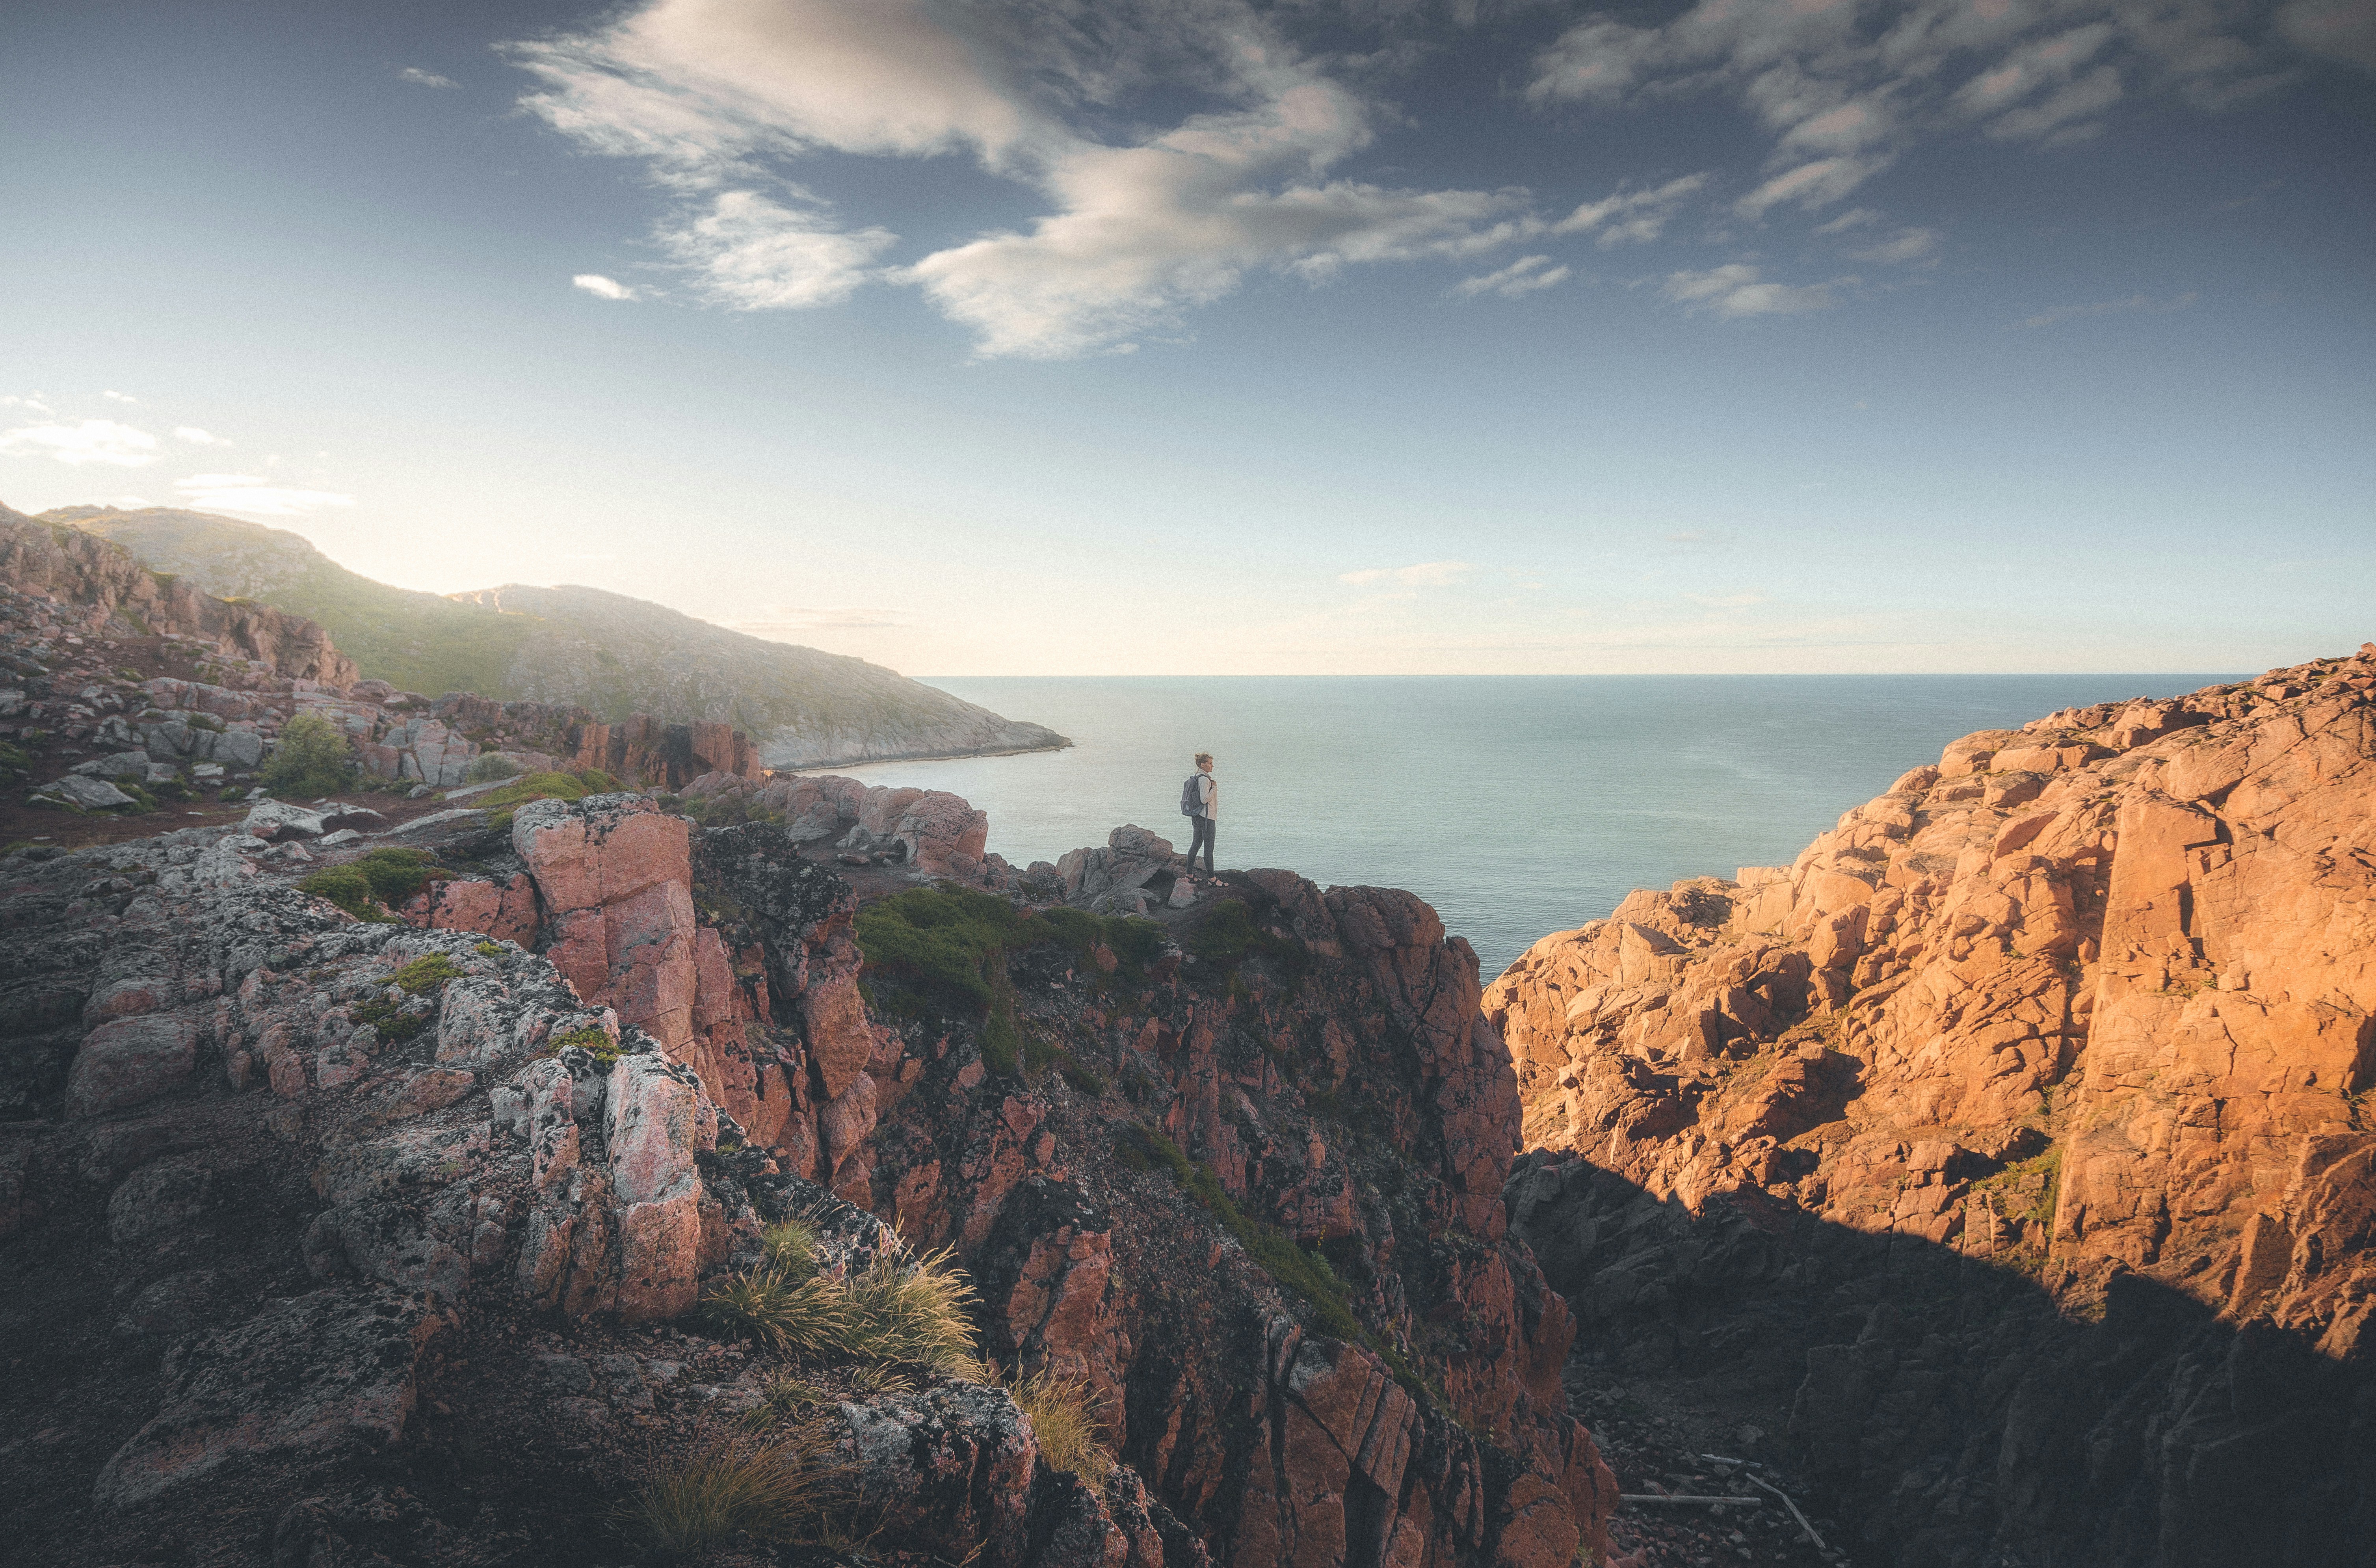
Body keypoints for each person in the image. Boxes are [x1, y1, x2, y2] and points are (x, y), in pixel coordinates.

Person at [1182, 751, 1217, 874]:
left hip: (1197, 816)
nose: (1212, 766)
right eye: (1210, 763)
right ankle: (1212, 879)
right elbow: (1204, 799)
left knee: (1196, 844)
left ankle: (1189, 874)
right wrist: (1214, 788)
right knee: (1209, 849)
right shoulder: (1205, 780)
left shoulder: (1197, 777)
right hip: (1207, 818)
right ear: (1203, 765)